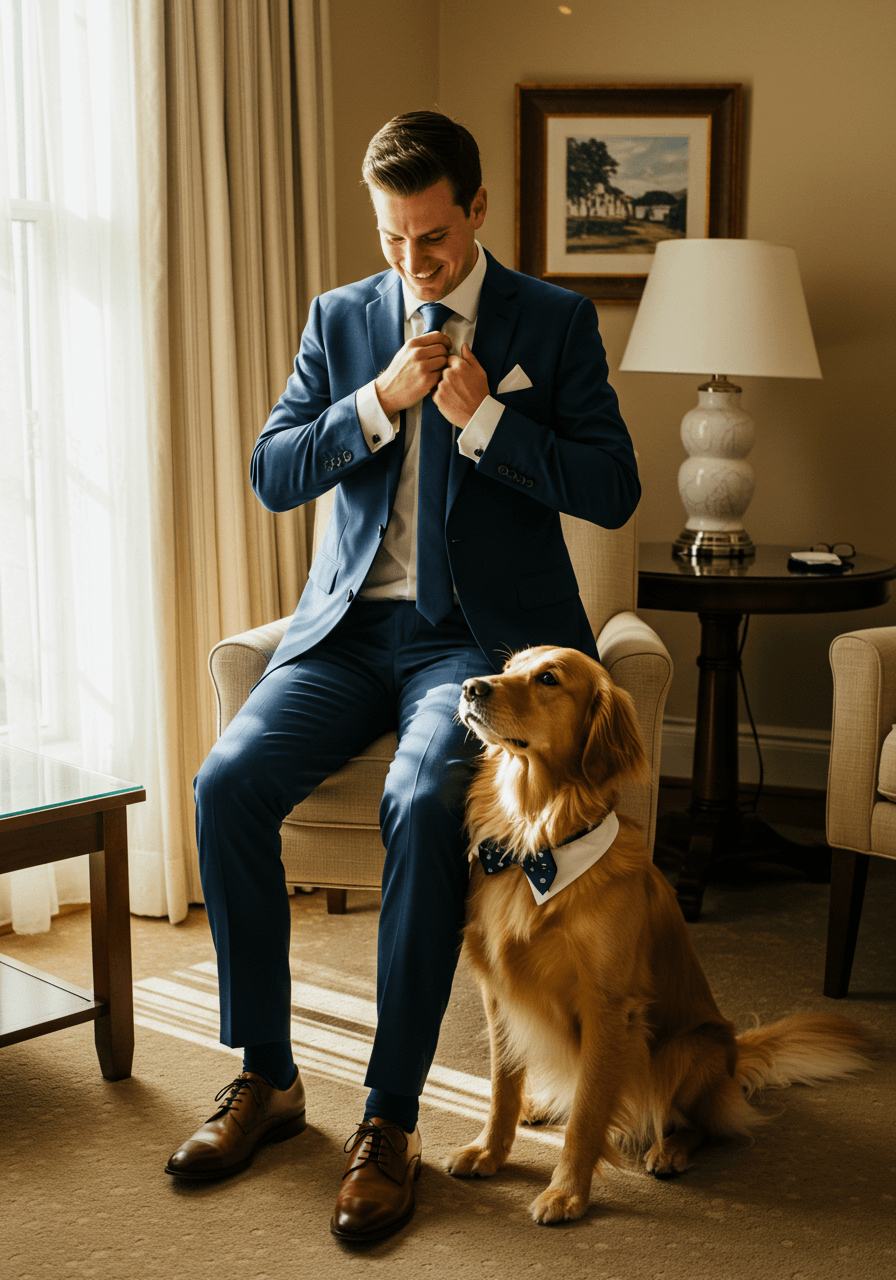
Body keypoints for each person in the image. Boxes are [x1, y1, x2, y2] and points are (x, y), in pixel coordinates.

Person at [165, 111, 640, 1243]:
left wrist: (484, 425)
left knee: (422, 798)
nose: (412, 263)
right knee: (223, 783)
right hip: (343, 634)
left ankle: (389, 1117)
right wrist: (377, 399)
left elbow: (612, 488)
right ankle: (269, 1077)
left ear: (474, 211)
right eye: (391, 240)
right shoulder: (341, 318)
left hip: (472, 646)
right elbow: (273, 470)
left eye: (429, 238)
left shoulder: (553, 321)